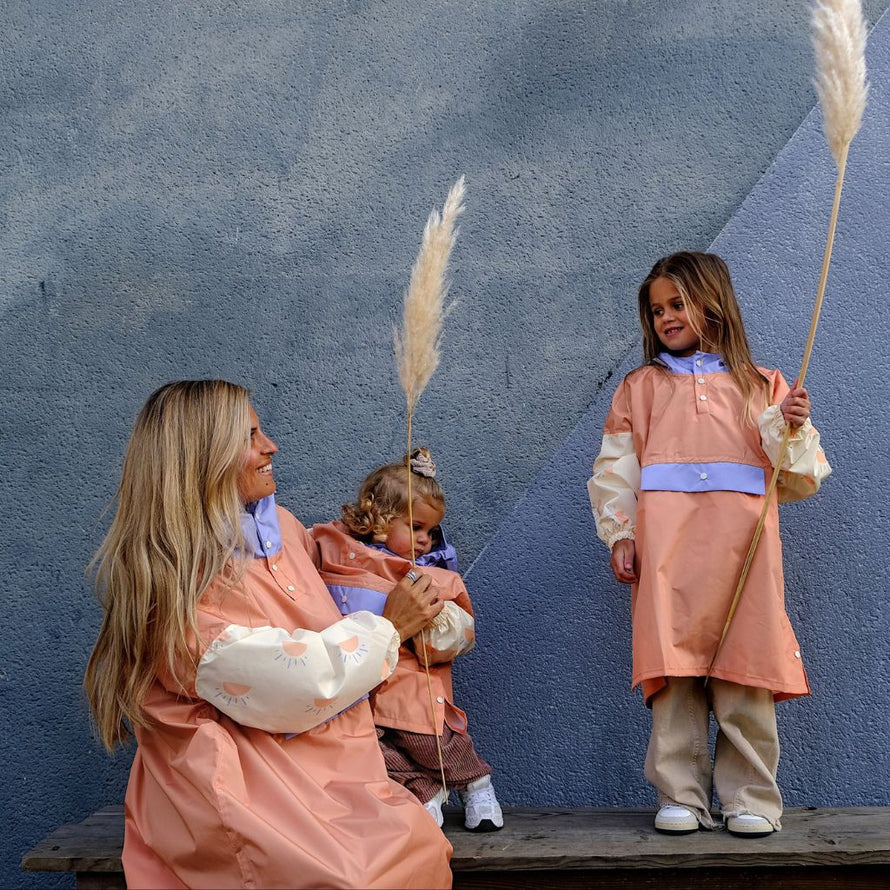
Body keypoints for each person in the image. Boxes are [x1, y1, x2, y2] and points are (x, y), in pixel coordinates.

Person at [83, 380, 453, 889]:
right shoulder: (177, 585)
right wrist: (389, 627)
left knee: (415, 849)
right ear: (204, 455)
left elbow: (344, 591)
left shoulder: (279, 527)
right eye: (250, 435)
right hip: (245, 790)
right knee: (352, 877)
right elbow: (297, 682)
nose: (270, 446)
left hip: (331, 776)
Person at [588, 252, 831, 838]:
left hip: (744, 555)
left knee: (745, 670)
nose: (666, 317)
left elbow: (799, 477)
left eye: (678, 303)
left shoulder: (762, 385)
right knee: (673, 672)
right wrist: (620, 533)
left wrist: (790, 425)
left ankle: (750, 798)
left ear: (713, 303)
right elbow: (615, 469)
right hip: (667, 553)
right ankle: (681, 794)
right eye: (657, 309)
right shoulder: (639, 389)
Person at [311, 449, 503, 832]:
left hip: (411, 689)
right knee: (371, 750)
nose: (425, 541)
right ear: (381, 520)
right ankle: (423, 790)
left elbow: (462, 636)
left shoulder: (434, 577)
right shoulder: (337, 552)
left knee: (433, 745)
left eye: (431, 532)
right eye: (416, 528)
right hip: (359, 688)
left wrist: (432, 623)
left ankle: (477, 784)